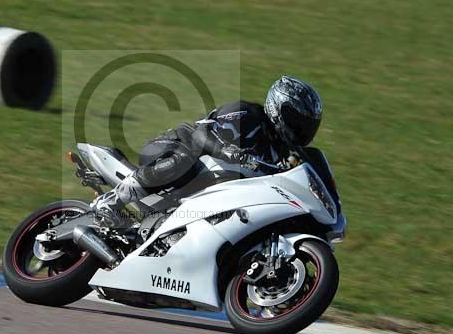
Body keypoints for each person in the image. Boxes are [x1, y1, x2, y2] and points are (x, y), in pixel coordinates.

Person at [92, 76, 323, 226]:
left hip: (206, 190)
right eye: (296, 119)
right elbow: (201, 134)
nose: (300, 129)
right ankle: (115, 199)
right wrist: (226, 151)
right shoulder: (247, 114)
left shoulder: (280, 153)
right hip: (171, 147)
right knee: (187, 157)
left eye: (306, 124)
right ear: (278, 107)